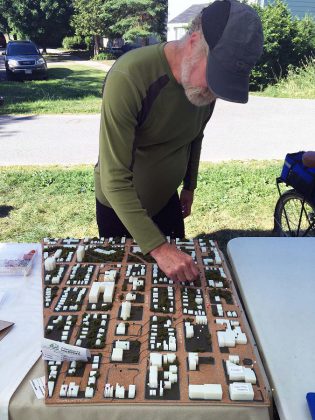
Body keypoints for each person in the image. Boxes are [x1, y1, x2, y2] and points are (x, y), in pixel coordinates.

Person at [94, 0, 264, 282]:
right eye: (214, 77)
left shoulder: (203, 88)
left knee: (178, 290)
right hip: (120, 210)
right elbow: (113, 178)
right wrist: (159, 248)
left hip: (167, 201)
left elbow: (195, 135)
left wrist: (189, 185)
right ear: (194, 41)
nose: (214, 92)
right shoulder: (130, 76)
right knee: (126, 291)